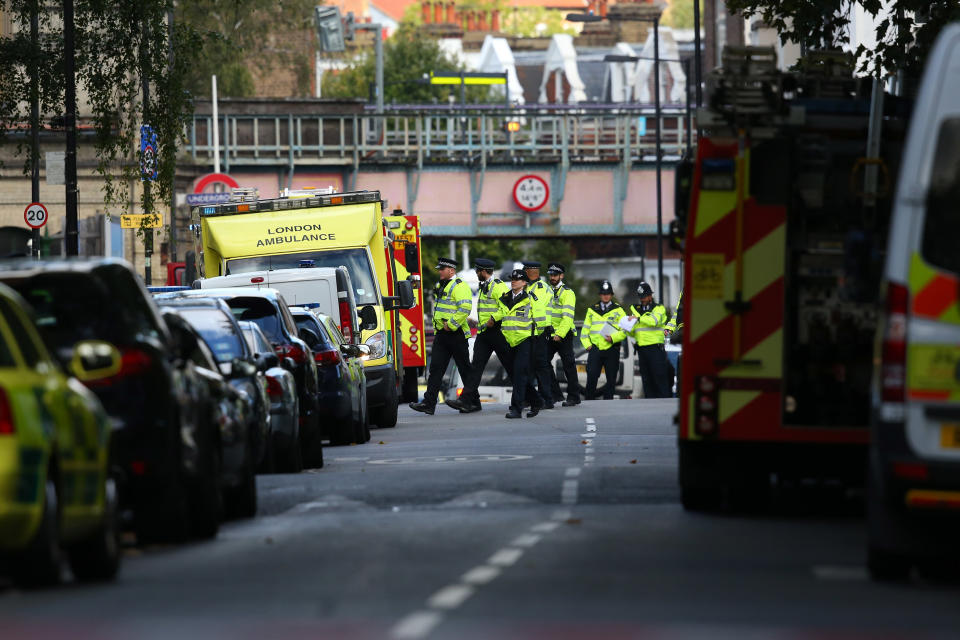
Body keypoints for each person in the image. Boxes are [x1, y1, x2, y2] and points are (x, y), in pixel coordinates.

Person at [409, 257, 473, 415]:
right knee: (436, 369)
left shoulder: (460, 286)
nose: (439, 271)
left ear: (451, 270)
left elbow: (465, 307)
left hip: (456, 333)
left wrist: (451, 324)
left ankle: (473, 402)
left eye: (442, 269)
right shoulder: (440, 285)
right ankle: (429, 403)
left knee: (465, 370)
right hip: (442, 335)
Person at [452, 258, 512, 413]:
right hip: (484, 333)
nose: (476, 273)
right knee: (475, 368)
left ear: (483, 271)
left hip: (497, 332)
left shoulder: (497, 286)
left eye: (477, 271)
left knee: (511, 367)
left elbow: (506, 307)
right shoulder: (485, 286)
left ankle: (533, 398)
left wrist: (494, 319)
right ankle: (465, 401)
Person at [488, 269, 540, 419]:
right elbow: (502, 312)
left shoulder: (531, 299)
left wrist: (537, 339)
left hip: (526, 340)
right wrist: (493, 318)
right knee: (517, 375)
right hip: (510, 341)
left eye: (517, 279)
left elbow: (539, 319)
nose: (513, 281)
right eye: (512, 279)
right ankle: (536, 401)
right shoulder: (506, 297)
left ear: (524, 283)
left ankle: (516, 408)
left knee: (519, 373)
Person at [580, 280, 626, 400]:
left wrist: (614, 338)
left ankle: (608, 404)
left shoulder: (619, 310)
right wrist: (588, 346)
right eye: (603, 293)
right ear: (600, 295)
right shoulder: (592, 310)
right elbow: (584, 331)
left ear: (611, 295)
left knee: (611, 380)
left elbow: (625, 331)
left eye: (608, 293)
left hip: (612, 348)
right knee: (592, 377)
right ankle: (589, 401)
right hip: (595, 349)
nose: (606, 296)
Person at [626, 281, 672, 399]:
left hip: (655, 349)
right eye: (641, 297)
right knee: (646, 380)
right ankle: (649, 405)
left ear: (650, 296)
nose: (643, 299)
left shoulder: (659, 309)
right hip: (642, 349)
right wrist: (627, 326)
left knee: (659, 378)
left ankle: (664, 402)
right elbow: (634, 331)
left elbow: (654, 321)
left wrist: (638, 318)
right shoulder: (636, 310)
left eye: (645, 296)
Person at [545, 262, 581, 406]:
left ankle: (574, 396)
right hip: (550, 333)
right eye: (551, 275)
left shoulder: (568, 293)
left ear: (562, 276)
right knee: (543, 363)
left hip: (564, 334)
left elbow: (567, 317)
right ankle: (555, 394)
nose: (552, 277)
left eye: (555, 275)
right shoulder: (547, 291)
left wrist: (559, 334)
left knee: (568, 365)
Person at [524, 261, 554, 409]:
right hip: (528, 333)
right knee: (527, 367)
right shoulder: (528, 286)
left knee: (541, 367)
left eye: (526, 269)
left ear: (531, 271)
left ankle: (546, 399)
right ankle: (530, 399)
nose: (524, 272)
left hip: (539, 333)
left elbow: (538, 311)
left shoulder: (541, 288)